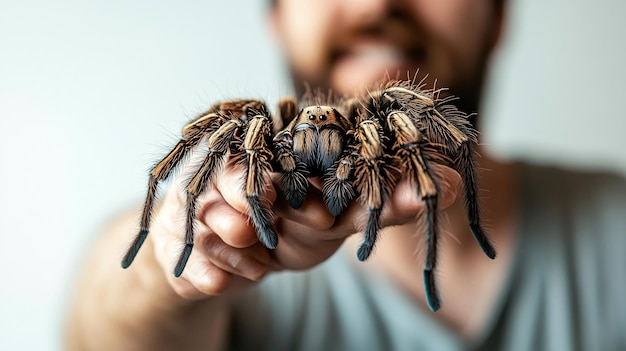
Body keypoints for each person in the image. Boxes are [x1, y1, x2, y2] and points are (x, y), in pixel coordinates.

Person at [64, 0, 626, 350]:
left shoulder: (611, 224)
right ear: (277, 19)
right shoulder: (262, 136)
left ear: (499, 16)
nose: (375, 3)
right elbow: (97, 337)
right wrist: (172, 262)